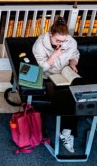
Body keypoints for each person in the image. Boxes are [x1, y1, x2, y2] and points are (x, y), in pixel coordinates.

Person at [32, 16, 80, 153]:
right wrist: (54, 55)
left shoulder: (70, 42)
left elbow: (75, 55)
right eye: (57, 40)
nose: (61, 43)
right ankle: (66, 132)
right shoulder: (40, 44)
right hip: (49, 76)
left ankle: (67, 132)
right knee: (66, 98)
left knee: (78, 97)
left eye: (63, 41)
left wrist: (73, 64)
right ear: (50, 35)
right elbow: (42, 68)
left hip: (66, 72)